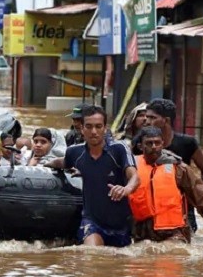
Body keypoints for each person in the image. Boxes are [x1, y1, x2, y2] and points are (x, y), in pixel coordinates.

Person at [46, 105, 139, 247]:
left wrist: (126, 189)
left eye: (98, 126)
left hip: (120, 224)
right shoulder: (75, 152)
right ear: (81, 128)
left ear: (105, 128)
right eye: (88, 127)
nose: (94, 132)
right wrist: (44, 164)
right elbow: (62, 162)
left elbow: (135, 177)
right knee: (92, 255)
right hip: (92, 222)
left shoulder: (119, 149)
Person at [129, 126, 203, 243]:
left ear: (163, 144)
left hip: (174, 232)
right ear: (141, 146)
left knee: (172, 254)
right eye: (149, 143)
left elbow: (199, 193)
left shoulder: (178, 168)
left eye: (157, 143)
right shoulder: (131, 167)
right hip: (141, 232)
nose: (154, 147)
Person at [133, 98, 203, 233]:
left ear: (166, 120)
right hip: (152, 207)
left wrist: (200, 198)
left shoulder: (187, 143)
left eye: (152, 117)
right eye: (146, 117)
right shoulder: (140, 145)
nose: (146, 121)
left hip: (183, 207)